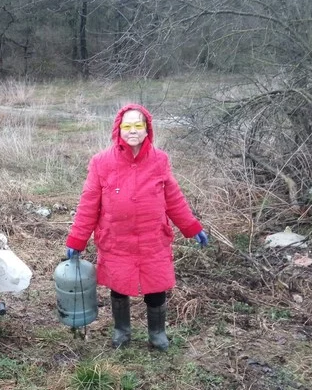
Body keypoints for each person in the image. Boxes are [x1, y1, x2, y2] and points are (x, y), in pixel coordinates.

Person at [65, 103, 208, 351]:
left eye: (138, 125)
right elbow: (88, 204)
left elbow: (173, 199)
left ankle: (157, 333)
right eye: (127, 126)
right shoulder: (101, 162)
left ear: (147, 129)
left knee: (156, 286)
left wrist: (192, 227)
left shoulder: (160, 160)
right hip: (116, 239)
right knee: (119, 286)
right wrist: (77, 240)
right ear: (118, 129)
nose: (133, 131)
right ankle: (122, 330)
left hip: (153, 239)